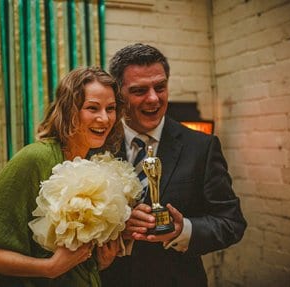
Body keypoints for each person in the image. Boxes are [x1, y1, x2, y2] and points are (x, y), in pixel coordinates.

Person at [99, 43, 247, 286]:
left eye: (160, 87)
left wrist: (183, 229)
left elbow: (231, 222)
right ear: (118, 94)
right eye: (139, 90)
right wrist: (116, 227)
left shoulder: (202, 146)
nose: (153, 98)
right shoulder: (97, 144)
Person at [0, 67, 124, 286]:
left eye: (111, 108)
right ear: (69, 110)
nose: (104, 118)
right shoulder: (32, 160)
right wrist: (49, 268)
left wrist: (100, 261)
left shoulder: (94, 165)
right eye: (92, 108)